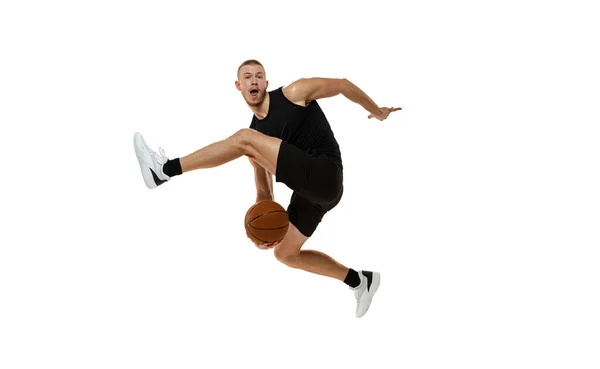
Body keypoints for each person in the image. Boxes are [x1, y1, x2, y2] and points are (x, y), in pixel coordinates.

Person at [133, 59, 401, 318]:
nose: (254, 81)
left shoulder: (294, 93)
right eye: (247, 77)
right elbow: (265, 194)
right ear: (238, 86)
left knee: (244, 140)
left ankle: (164, 170)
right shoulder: (254, 139)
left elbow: (342, 84)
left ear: (266, 82)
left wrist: (377, 111)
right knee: (285, 253)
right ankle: (360, 281)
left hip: (326, 175)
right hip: (314, 195)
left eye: (259, 76)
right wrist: (263, 231)